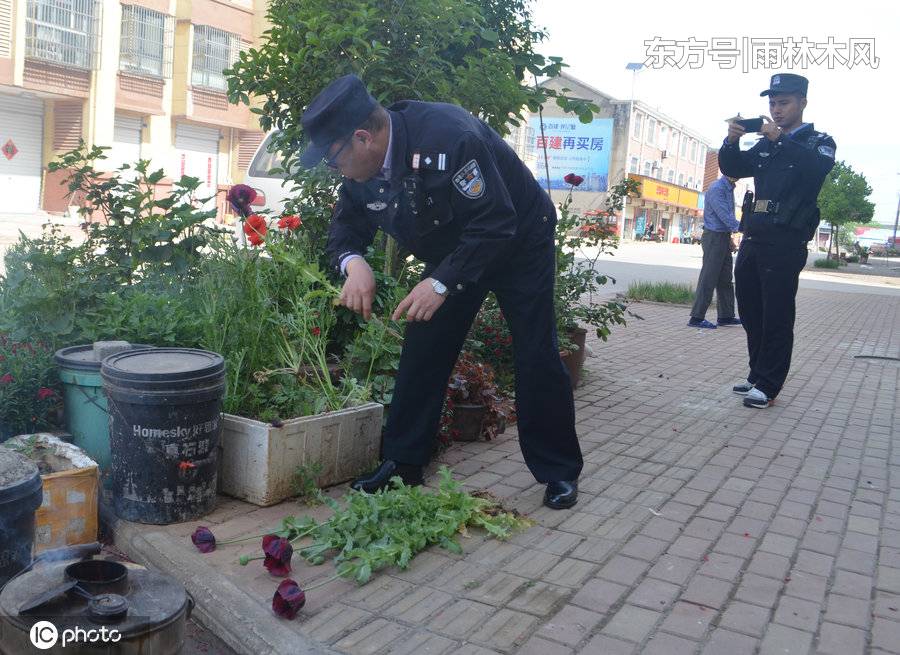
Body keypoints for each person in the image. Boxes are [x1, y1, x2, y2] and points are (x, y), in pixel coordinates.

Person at [299, 74, 583, 508]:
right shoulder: (362, 170)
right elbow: (345, 229)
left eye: (333, 159)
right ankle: (404, 463)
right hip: (458, 250)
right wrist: (353, 263)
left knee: (535, 353)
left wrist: (440, 282)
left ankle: (559, 471)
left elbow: (495, 223)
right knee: (424, 346)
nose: (332, 168)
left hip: (518, 241)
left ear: (362, 138)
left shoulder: (451, 139)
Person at [719, 73, 836, 408]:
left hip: (785, 240)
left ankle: (769, 384)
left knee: (777, 315)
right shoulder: (766, 143)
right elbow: (735, 167)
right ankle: (757, 373)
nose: (777, 109)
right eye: (772, 103)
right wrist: (730, 140)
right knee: (752, 310)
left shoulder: (819, 141)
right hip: (754, 234)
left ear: (802, 103)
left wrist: (781, 139)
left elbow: (814, 170)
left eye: (783, 102)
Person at [687, 175, 742, 329]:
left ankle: (726, 316)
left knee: (725, 279)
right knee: (708, 277)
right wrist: (746, 227)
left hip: (722, 237)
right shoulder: (718, 188)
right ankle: (696, 317)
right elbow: (725, 215)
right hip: (714, 237)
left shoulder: (729, 188)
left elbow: (726, 218)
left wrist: (729, 239)